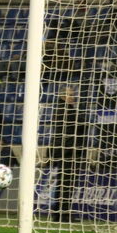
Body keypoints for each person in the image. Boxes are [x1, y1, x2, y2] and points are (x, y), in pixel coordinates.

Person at [49, 85, 87, 222]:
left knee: (63, 182)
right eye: (70, 94)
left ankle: (58, 212)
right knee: (67, 183)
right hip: (68, 150)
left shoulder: (61, 109)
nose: (73, 97)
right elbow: (81, 123)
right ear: (63, 96)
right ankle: (63, 214)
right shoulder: (66, 110)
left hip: (63, 149)